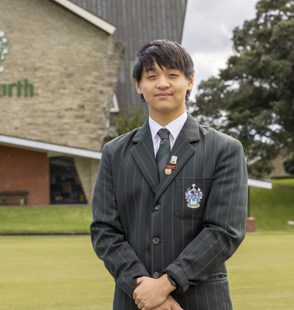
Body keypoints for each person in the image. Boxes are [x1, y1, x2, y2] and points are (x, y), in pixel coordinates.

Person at [90, 40, 247, 310]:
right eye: (151, 76)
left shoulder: (224, 149)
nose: (162, 83)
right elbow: (105, 231)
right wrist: (145, 290)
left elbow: (224, 231)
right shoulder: (114, 153)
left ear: (190, 81)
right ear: (139, 85)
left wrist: (165, 285)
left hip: (202, 301)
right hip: (135, 301)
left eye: (172, 75)